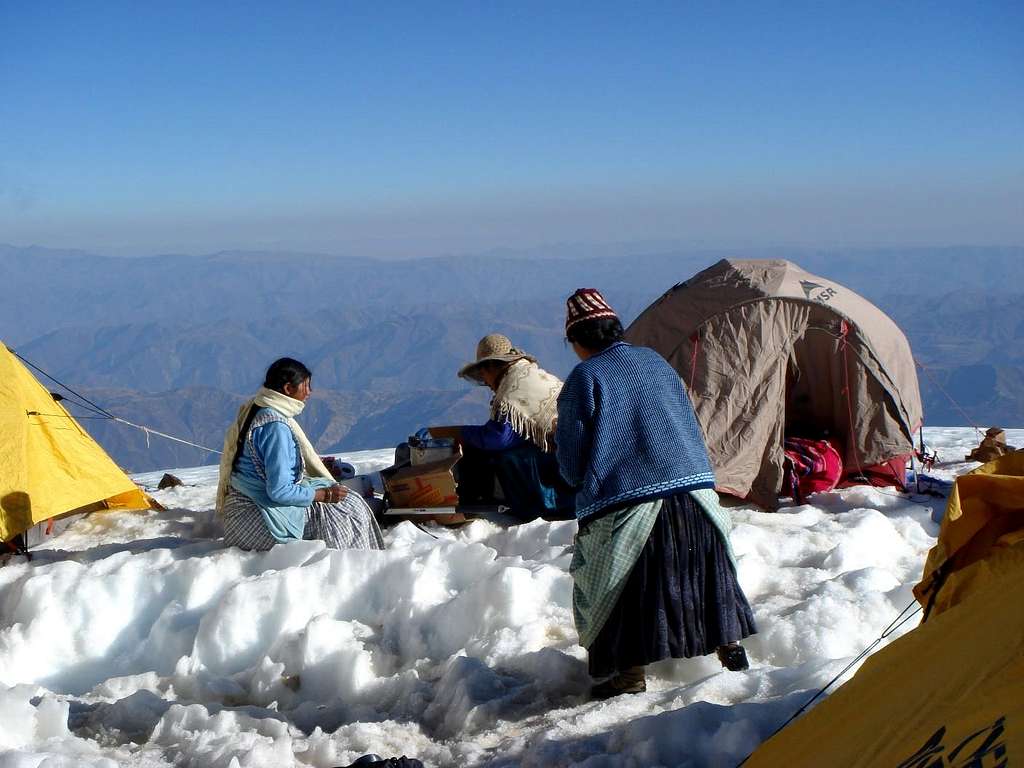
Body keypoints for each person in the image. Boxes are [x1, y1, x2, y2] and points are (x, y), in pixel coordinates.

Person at [556, 289, 756, 698]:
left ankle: (630, 674)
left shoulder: (585, 378)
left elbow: (572, 462)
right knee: (707, 576)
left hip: (631, 501)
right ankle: (730, 650)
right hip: (697, 496)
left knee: (620, 587)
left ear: (579, 341)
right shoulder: (654, 362)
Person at [215, 357, 384, 551]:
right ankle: (347, 565)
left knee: (348, 500)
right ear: (288, 389)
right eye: (306, 386)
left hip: (241, 510)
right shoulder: (275, 428)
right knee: (344, 511)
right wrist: (325, 495)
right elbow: (279, 491)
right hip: (252, 521)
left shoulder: (258, 409)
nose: (310, 392)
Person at [421, 333, 572, 520]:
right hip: (568, 452)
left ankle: (529, 505)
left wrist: (459, 434)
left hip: (559, 463)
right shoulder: (527, 375)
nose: (485, 381)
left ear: (492, 367)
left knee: (505, 457)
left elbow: (498, 437)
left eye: (483, 373)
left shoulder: (514, 390)